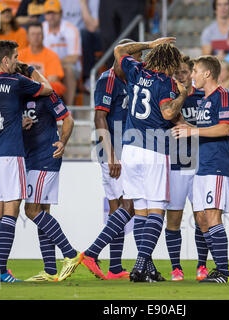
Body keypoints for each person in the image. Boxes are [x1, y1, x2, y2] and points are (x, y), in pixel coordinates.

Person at [0, 40, 53, 283]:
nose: (17, 61)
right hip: (10, 154)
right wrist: (29, 70)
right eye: (16, 57)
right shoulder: (16, 81)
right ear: (6, 60)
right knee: (11, 211)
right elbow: (48, 89)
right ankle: (2, 271)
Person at [110, 38, 186, 283]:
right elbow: (168, 112)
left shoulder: (136, 70)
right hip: (153, 148)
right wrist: (183, 95)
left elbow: (119, 50)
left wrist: (149, 43)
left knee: (140, 210)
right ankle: (141, 264)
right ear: (171, 62)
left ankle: (143, 269)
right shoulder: (166, 83)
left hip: (130, 149)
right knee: (156, 209)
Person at [172, 56, 229, 284]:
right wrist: (187, 126)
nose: (192, 75)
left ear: (207, 74)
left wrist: (192, 132)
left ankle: (223, 272)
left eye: (196, 71)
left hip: (217, 165)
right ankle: (217, 269)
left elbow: (224, 129)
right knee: (202, 218)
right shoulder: (204, 101)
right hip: (203, 165)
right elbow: (206, 128)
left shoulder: (224, 96)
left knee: (213, 215)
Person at [84, 39, 141, 281]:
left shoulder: (130, 79)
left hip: (125, 149)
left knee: (118, 208)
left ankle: (115, 267)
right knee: (127, 207)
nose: (136, 62)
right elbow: (99, 118)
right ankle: (92, 254)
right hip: (113, 151)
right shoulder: (107, 80)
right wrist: (111, 155)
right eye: (134, 57)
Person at [20, 87, 80, 282]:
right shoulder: (16, 97)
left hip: (44, 158)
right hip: (31, 159)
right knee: (42, 212)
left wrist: (62, 141)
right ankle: (50, 270)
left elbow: (68, 119)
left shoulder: (45, 96)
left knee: (31, 210)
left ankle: (70, 254)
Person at [165, 55, 209, 282]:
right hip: (177, 164)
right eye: (177, 73)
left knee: (202, 218)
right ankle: (176, 267)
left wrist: (194, 128)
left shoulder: (204, 97)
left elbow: (211, 128)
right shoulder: (171, 98)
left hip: (200, 164)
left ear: (192, 73)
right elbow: (174, 122)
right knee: (174, 218)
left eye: (184, 72)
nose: (181, 76)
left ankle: (202, 266)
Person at [42, 0, 81, 106]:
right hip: (46, 66)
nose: (51, 16)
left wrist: (54, 65)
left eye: (54, 12)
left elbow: (73, 57)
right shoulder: (41, 29)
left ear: (61, 13)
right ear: (44, 15)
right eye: (48, 13)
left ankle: (69, 109)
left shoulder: (71, 29)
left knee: (68, 69)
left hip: (64, 66)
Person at [19, 23, 66, 98]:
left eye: (39, 34)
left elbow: (52, 80)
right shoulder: (20, 55)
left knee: (55, 86)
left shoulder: (52, 55)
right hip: (24, 93)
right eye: (33, 34)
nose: (36, 37)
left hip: (44, 96)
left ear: (43, 36)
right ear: (27, 37)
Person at [61, 0, 101, 84]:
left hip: (83, 34)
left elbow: (92, 26)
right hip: (63, 32)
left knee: (85, 34)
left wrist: (83, 4)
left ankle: (88, 77)